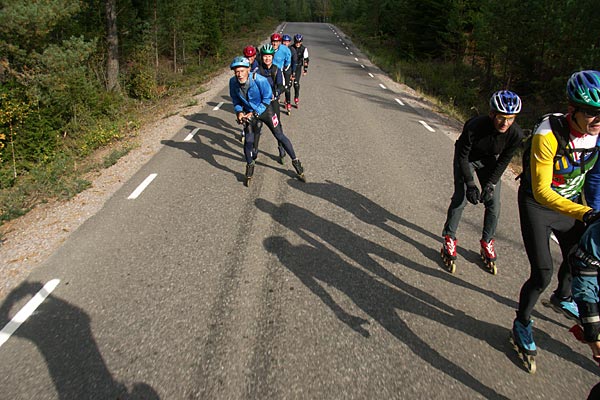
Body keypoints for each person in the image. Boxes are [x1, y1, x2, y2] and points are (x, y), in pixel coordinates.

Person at [511, 70, 600, 373]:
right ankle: (522, 322)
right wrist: (585, 213)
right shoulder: (547, 134)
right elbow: (543, 191)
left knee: (580, 258)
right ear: (572, 109)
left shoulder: (597, 134)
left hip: (571, 206)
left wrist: (594, 212)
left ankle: (562, 298)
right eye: (591, 112)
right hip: (538, 204)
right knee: (542, 272)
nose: (597, 120)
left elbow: (595, 175)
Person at [440, 90, 524, 274]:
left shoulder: (516, 134)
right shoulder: (474, 126)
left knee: (493, 203)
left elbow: (503, 161)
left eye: (510, 118)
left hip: (489, 161)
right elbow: (462, 156)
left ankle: (487, 241)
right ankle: (449, 238)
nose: (505, 123)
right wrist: (470, 184)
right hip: (467, 159)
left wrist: (491, 184)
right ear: (492, 114)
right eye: (501, 117)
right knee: (461, 199)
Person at [228, 56, 305, 186]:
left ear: (248, 70)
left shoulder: (260, 80)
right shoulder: (233, 82)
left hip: (266, 110)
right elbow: (236, 101)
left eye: (242, 71)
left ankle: (296, 161)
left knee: (279, 135)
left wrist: (254, 113)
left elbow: (267, 98)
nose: (239, 74)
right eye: (236, 72)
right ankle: (250, 165)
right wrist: (239, 112)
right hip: (249, 113)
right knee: (248, 140)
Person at [255, 44, 286, 164]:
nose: (267, 59)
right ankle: (255, 150)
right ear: (261, 57)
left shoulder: (276, 69)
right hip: (260, 102)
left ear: (272, 57)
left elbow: (281, 85)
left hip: (273, 102)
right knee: (257, 125)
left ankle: (281, 148)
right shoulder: (258, 71)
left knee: (277, 124)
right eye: (265, 56)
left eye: (269, 56)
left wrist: (277, 91)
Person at [270, 33, 293, 115]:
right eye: (273, 41)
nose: (274, 44)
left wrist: (285, 68)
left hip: (280, 71)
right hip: (269, 72)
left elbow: (288, 60)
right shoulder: (268, 49)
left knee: (285, 87)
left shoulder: (285, 50)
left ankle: (288, 102)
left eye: (276, 42)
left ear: (280, 42)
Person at [291, 33, 309, 109]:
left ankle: (296, 97)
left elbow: (306, 59)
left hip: (298, 67)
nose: (297, 44)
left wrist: (305, 69)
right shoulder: (290, 47)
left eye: (299, 42)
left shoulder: (304, 49)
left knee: (296, 83)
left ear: (301, 42)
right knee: (288, 84)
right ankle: (287, 98)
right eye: (296, 42)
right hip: (290, 67)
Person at [281, 34, 297, 113]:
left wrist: (293, 73)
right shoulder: (279, 49)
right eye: (284, 41)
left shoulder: (292, 50)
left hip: (287, 70)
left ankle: (288, 103)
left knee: (287, 88)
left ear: (289, 42)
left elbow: (294, 62)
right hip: (279, 70)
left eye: (287, 42)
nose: (285, 43)